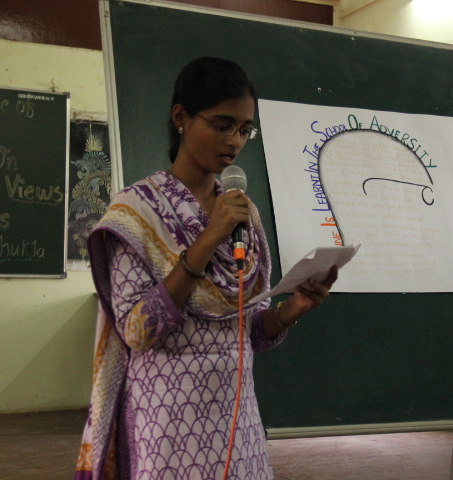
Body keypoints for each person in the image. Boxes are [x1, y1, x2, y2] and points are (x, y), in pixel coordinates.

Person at [74, 57, 337, 480]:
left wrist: (292, 309)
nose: (235, 141)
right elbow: (137, 331)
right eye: (222, 125)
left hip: (237, 421)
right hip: (168, 424)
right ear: (181, 117)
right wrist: (209, 238)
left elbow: (247, 331)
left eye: (245, 129)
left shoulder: (242, 212)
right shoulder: (137, 211)